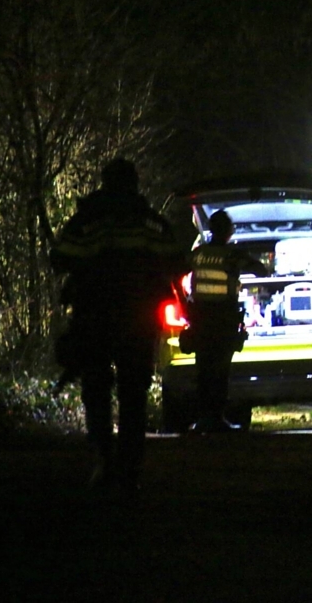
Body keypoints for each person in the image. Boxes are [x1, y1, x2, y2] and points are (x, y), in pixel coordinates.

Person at [50, 158, 187, 496]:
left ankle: (103, 460)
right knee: (133, 393)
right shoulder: (150, 223)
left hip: (94, 317)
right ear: (134, 184)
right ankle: (129, 469)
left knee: (96, 390)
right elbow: (176, 262)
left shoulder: (86, 221)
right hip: (138, 319)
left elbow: (60, 259)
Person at [186, 209, 268, 433]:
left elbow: (177, 273)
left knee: (203, 368)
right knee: (220, 370)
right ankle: (217, 419)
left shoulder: (198, 254)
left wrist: (186, 306)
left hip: (200, 318)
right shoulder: (231, 255)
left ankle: (204, 419)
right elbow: (260, 270)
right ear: (228, 230)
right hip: (223, 319)